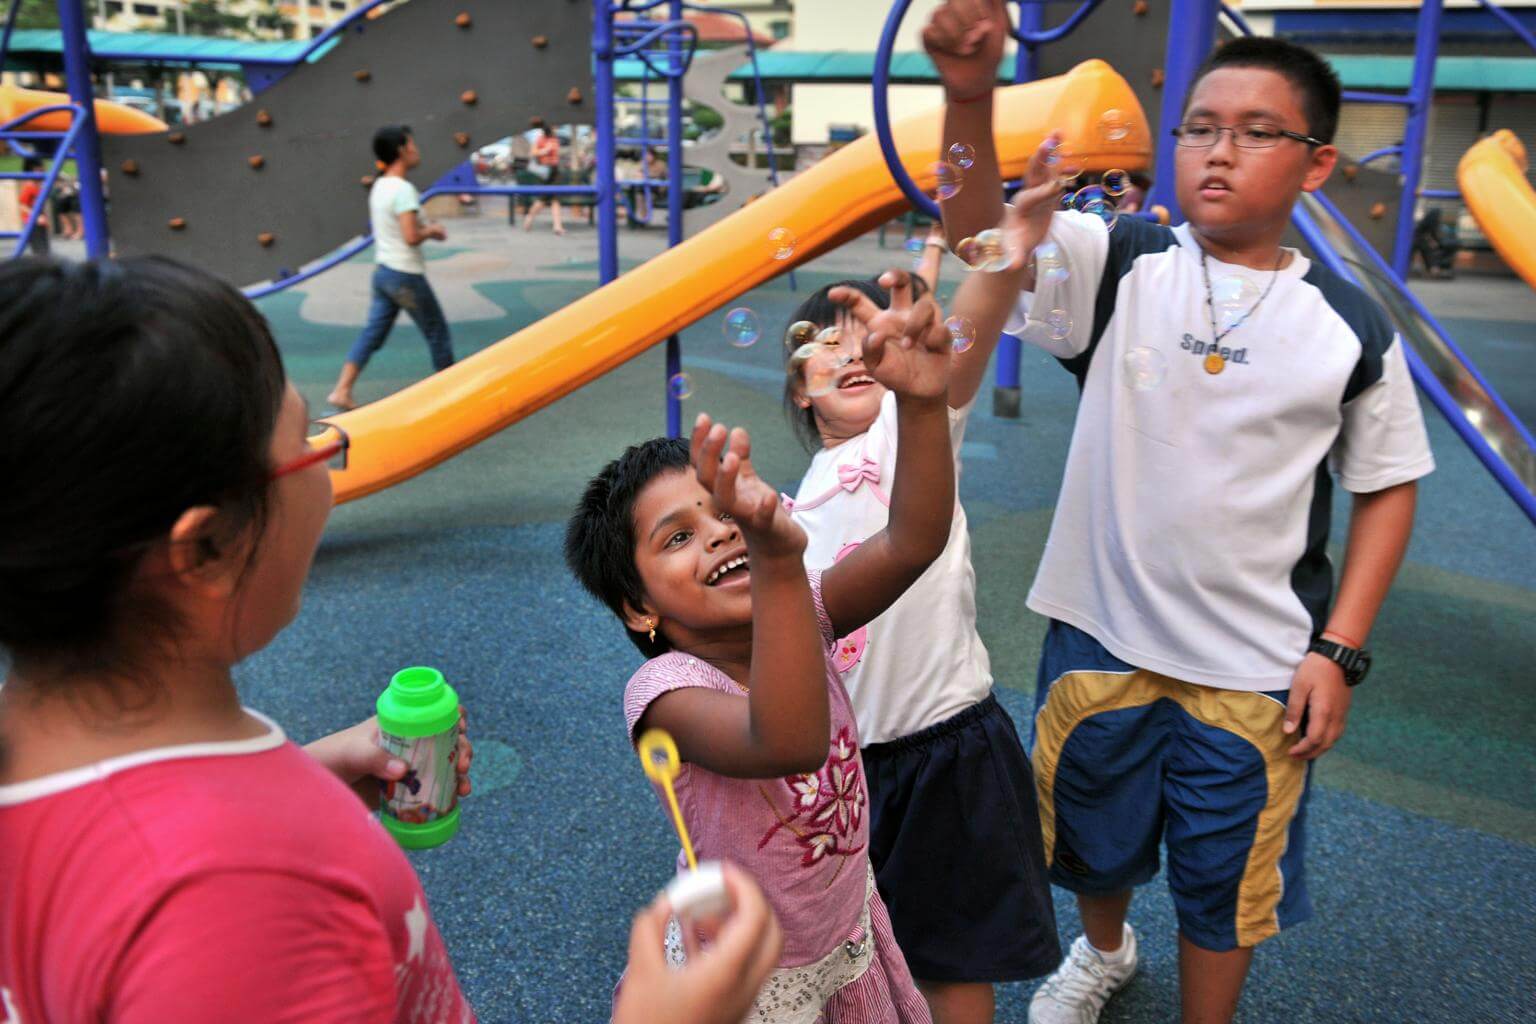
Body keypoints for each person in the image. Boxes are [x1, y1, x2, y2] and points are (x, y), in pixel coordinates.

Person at [0, 255, 787, 1024]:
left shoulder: (38, 751)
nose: (327, 468)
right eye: (308, 444)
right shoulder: (235, 901)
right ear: (206, 551)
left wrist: (304, 776)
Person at [924, 6, 1434, 1023]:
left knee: (1227, 880)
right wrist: (970, 95)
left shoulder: (1349, 325)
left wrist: (1339, 649)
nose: (1218, 151)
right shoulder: (1121, 260)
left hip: (1258, 665)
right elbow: (981, 235)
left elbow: (1387, 484)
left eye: (1256, 131)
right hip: (1102, 634)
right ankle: (1105, 952)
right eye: (1200, 127)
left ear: (1317, 165)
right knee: (1088, 841)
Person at [565, 278, 961, 1022]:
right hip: (748, 978)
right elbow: (787, 741)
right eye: (678, 537)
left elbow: (914, 541)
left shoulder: (800, 607)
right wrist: (777, 557)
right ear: (640, 607)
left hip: (844, 927)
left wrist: (922, 401)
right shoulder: (666, 694)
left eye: (724, 510)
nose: (719, 533)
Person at [780, 270, 1061, 1024]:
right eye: (828, 343)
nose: (853, 353)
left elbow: (955, 351)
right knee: (863, 951)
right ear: (801, 389)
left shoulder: (906, 432)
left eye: (867, 340)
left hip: (944, 750)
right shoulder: (793, 507)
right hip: (847, 771)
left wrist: (1005, 260)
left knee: (952, 955)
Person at [327, 125, 455, 412]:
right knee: (437, 332)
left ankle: (341, 390)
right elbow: (410, 236)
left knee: (373, 333)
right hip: (404, 274)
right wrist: (432, 231)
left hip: (384, 273)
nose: (416, 150)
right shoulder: (403, 190)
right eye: (412, 145)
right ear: (401, 150)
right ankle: (451, 395)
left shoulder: (380, 186)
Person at [522, 124, 566, 236]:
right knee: (542, 200)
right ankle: (529, 217)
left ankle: (557, 226)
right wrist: (545, 150)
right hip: (545, 172)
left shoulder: (555, 138)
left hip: (555, 171)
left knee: (555, 199)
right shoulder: (541, 138)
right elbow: (532, 153)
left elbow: (557, 153)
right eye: (554, 127)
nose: (556, 129)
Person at [16, 158, 48, 256]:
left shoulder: (38, 185)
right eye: (39, 170)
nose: (42, 172)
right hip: (32, 220)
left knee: (44, 248)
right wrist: (36, 217)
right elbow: (22, 205)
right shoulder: (29, 186)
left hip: (40, 220)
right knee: (39, 249)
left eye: (42, 169)